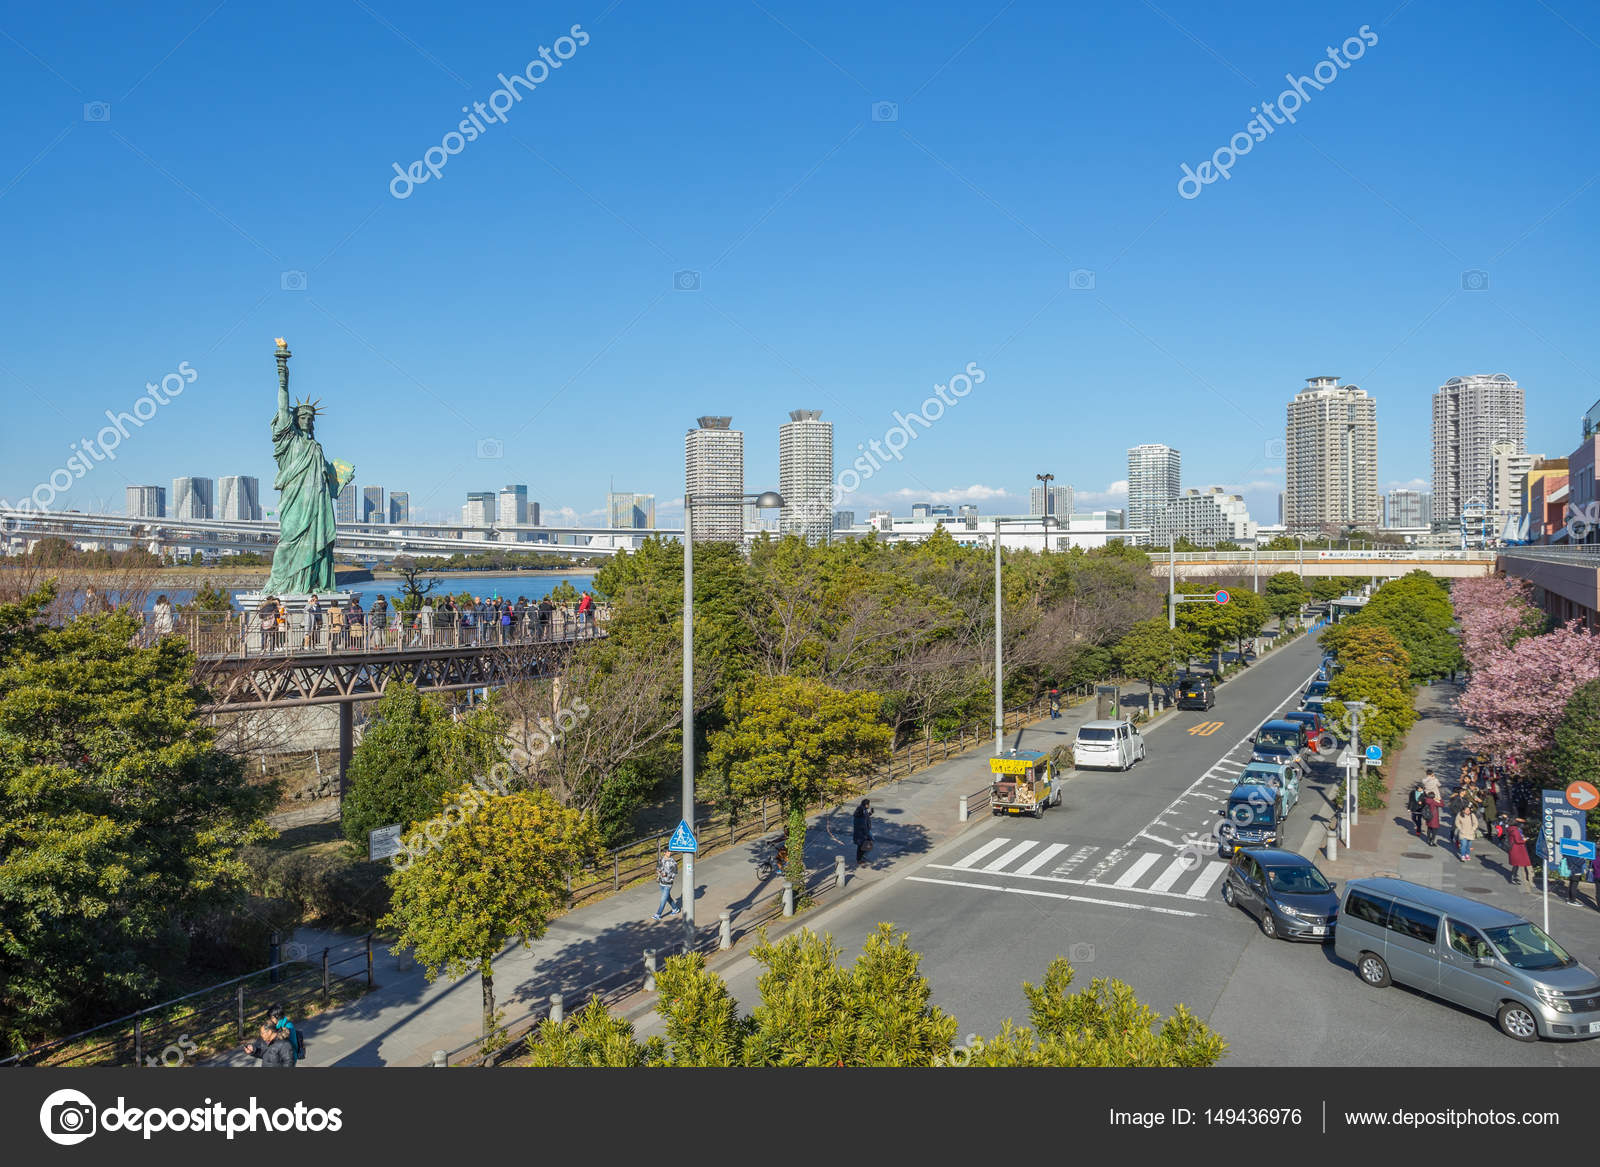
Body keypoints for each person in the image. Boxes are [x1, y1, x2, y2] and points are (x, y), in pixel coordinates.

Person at [1507, 818, 1535, 893]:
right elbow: (1518, 840)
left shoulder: (1510, 829)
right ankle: (1514, 878)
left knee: (1516, 864)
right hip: (1518, 849)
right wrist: (1525, 840)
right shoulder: (1515, 830)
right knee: (1518, 864)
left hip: (1514, 848)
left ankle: (1514, 877)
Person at [652, 851, 680, 921]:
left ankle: (658, 914)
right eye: (668, 852)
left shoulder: (673, 862)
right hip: (661, 882)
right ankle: (675, 909)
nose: (669, 853)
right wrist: (660, 873)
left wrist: (667, 875)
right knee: (668, 898)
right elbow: (657, 869)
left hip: (668, 883)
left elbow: (675, 872)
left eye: (670, 852)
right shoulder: (661, 860)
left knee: (663, 899)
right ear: (664, 853)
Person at [853, 798, 874, 864]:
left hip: (862, 832)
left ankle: (861, 857)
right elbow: (863, 826)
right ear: (866, 805)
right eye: (868, 804)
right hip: (862, 833)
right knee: (864, 845)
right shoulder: (861, 815)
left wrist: (870, 813)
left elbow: (866, 817)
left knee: (864, 844)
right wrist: (867, 834)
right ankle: (860, 858)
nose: (869, 806)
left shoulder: (862, 810)